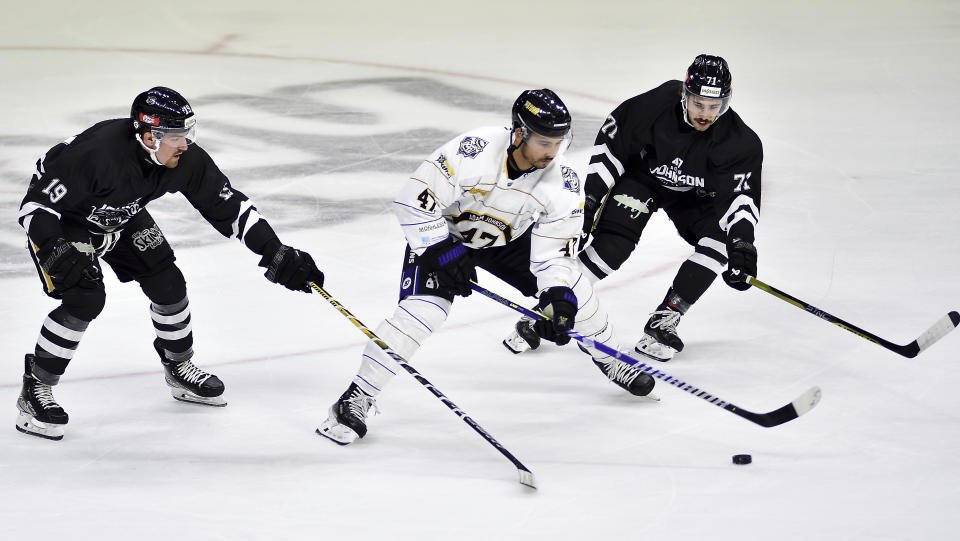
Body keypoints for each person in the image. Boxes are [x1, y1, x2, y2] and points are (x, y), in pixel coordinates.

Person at [317, 89, 656, 445]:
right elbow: (412, 201)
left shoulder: (563, 181)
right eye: (543, 142)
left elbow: (555, 255)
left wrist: (557, 296)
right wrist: (444, 254)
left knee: (577, 294)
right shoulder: (472, 151)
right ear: (519, 132)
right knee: (422, 313)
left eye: (558, 142)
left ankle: (610, 357)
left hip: (507, 242)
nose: (552, 152)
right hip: (444, 240)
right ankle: (354, 399)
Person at [15, 86, 325, 440]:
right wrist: (54, 246)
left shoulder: (183, 159)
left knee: (169, 284)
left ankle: (178, 367)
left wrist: (274, 250)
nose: (186, 144)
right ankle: (35, 388)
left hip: (120, 213)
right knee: (85, 298)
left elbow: (230, 207)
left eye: (188, 134)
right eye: (178, 136)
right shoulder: (96, 155)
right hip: (64, 221)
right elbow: (35, 208)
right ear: (149, 137)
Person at [504, 54, 763, 362]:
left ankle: (665, 319)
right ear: (685, 94)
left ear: (726, 101)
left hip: (694, 195)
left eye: (714, 106)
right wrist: (589, 200)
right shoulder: (654, 106)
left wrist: (742, 244)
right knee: (612, 247)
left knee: (720, 241)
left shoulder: (740, 142)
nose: (705, 114)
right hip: (643, 181)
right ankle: (548, 308)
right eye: (698, 104)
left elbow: (741, 199)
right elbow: (613, 147)